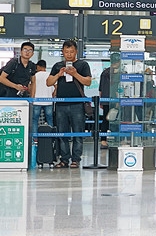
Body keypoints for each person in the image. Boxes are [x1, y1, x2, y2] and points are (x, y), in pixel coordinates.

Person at [46, 40, 92, 168]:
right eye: (66, 52)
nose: (69, 54)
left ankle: (76, 159)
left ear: (76, 51)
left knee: (78, 132)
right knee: (62, 133)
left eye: (71, 51)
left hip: (78, 104)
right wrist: (59, 74)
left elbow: (87, 82)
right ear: (62, 52)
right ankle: (64, 159)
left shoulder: (83, 65)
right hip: (61, 104)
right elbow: (49, 82)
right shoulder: (57, 65)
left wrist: (75, 74)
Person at [98, 53, 121, 148]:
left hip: (105, 99)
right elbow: (117, 88)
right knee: (116, 120)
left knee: (105, 120)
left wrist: (101, 101)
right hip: (115, 100)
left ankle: (103, 141)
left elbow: (100, 89)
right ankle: (117, 139)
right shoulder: (118, 73)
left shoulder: (104, 72)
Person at [29, 59, 55, 128]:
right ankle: (50, 137)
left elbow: (30, 87)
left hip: (36, 101)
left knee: (35, 120)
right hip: (48, 101)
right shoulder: (50, 75)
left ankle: (35, 138)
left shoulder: (34, 76)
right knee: (50, 119)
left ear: (38, 66)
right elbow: (56, 86)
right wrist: (52, 95)